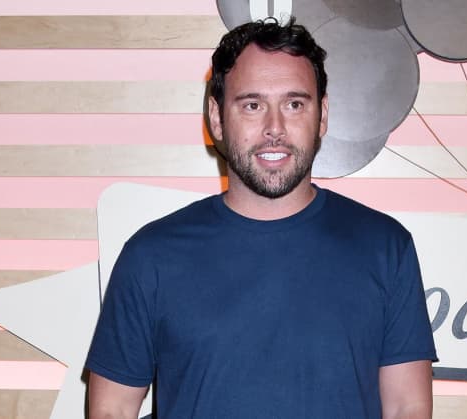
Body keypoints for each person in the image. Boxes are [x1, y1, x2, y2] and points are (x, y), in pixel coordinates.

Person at [86, 17, 437, 419]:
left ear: (322, 115)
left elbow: (407, 408)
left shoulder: (385, 248)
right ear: (217, 117)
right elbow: (112, 410)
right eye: (252, 105)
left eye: (294, 104)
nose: (275, 128)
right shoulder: (151, 256)